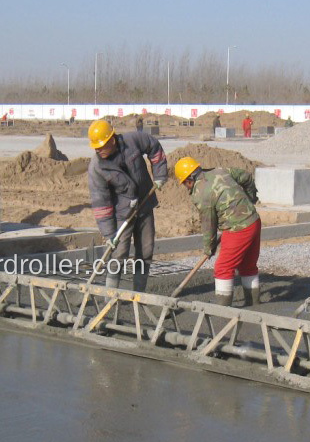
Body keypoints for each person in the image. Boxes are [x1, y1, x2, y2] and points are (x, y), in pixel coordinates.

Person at [87, 119, 168, 292]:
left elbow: (154, 147)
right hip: (122, 215)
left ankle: (139, 292)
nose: (98, 149)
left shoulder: (133, 141)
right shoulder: (97, 167)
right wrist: (109, 234)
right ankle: (110, 295)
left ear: (112, 139)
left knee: (146, 251)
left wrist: (160, 174)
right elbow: (101, 202)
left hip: (145, 206)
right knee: (118, 253)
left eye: (101, 145)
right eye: (96, 146)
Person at [175, 156, 260, 307]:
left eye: (184, 184)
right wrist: (250, 198)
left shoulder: (200, 194)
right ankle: (254, 304)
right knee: (247, 265)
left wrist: (209, 247)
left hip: (237, 228)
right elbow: (246, 176)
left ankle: (222, 309)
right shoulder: (221, 171)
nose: (186, 187)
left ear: (188, 180)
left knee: (223, 268)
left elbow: (209, 223)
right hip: (254, 221)